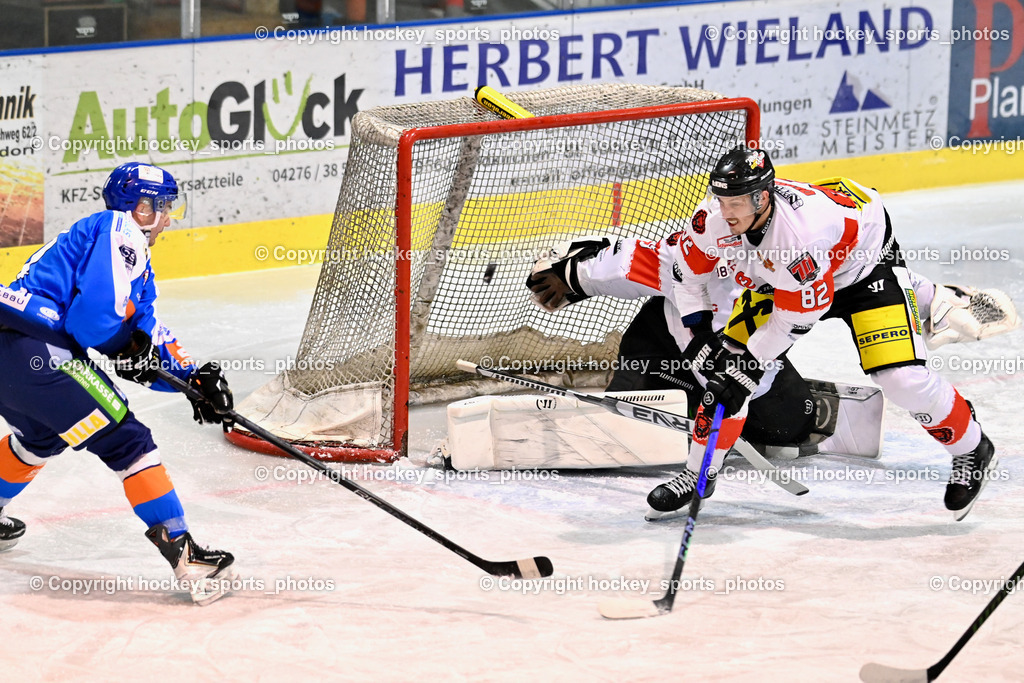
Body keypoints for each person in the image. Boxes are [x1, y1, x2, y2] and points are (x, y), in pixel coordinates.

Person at [528, 148, 1011, 521]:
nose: (729, 210)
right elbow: (682, 274)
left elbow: (796, 317)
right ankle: (699, 477)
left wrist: (749, 362)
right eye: (723, 199)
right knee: (723, 372)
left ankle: (972, 449)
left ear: (764, 196)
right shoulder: (714, 220)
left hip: (862, 269)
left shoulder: (798, 240)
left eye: (739, 201)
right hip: (791, 280)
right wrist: (699, 336)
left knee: (901, 377)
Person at [0, 162, 237, 604]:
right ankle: (189, 559)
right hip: (36, 349)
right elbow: (92, 324)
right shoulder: (118, 229)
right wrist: (129, 348)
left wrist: (192, 380)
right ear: (141, 208)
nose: (168, 218)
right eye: (163, 207)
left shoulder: (126, 255)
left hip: (12, 354)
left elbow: (144, 330)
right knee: (130, 444)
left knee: (40, 438)